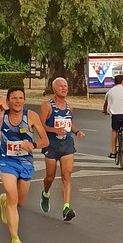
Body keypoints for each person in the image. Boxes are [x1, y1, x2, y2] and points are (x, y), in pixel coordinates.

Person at [0, 87, 49, 243]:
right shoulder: (0, 117)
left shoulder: (31, 117)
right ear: (8, 100)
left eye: (21, 98)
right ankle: (15, 239)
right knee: (13, 198)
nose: (18, 101)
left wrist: (33, 145)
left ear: (25, 100)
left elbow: (45, 140)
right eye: (14, 98)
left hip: (25, 162)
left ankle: (4, 201)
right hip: (7, 161)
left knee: (20, 202)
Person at [39, 77, 85, 221]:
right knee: (50, 177)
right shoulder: (47, 106)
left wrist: (77, 132)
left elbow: (69, 124)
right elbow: (40, 126)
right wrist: (54, 130)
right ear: (54, 89)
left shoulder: (69, 106)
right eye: (61, 86)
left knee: (67, 175)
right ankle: (45, 193)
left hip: (66, 145)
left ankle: (66, 207)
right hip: (51, 145)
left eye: (66, 86)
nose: (64, 88)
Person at [102, 73, 123, 158]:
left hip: (115, 116)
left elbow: (105, 104)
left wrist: (105, 111)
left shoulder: (109, 92)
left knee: (114, 131)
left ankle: (113, 152)